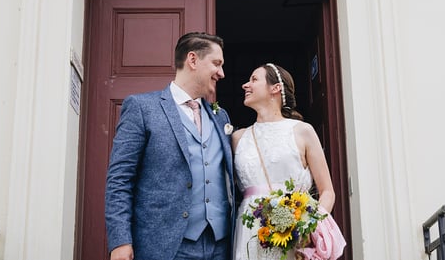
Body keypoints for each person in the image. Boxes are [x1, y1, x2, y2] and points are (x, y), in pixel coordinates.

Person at [105, 32, 235, 260]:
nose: (221, 73)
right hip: (167, 245)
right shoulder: (142, 108)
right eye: (217, 63)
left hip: (220, 246)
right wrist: (120, 240)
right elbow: (119, 179)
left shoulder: (220, 117)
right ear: (192, 60)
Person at [231, 63, 340, 260]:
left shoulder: (302, 131)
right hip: (249, 233)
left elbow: (327, 191)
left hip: (294, 234)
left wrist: (309, 227)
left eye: (254, 79)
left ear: (275, 88)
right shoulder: (238, 138)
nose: (245, 85)